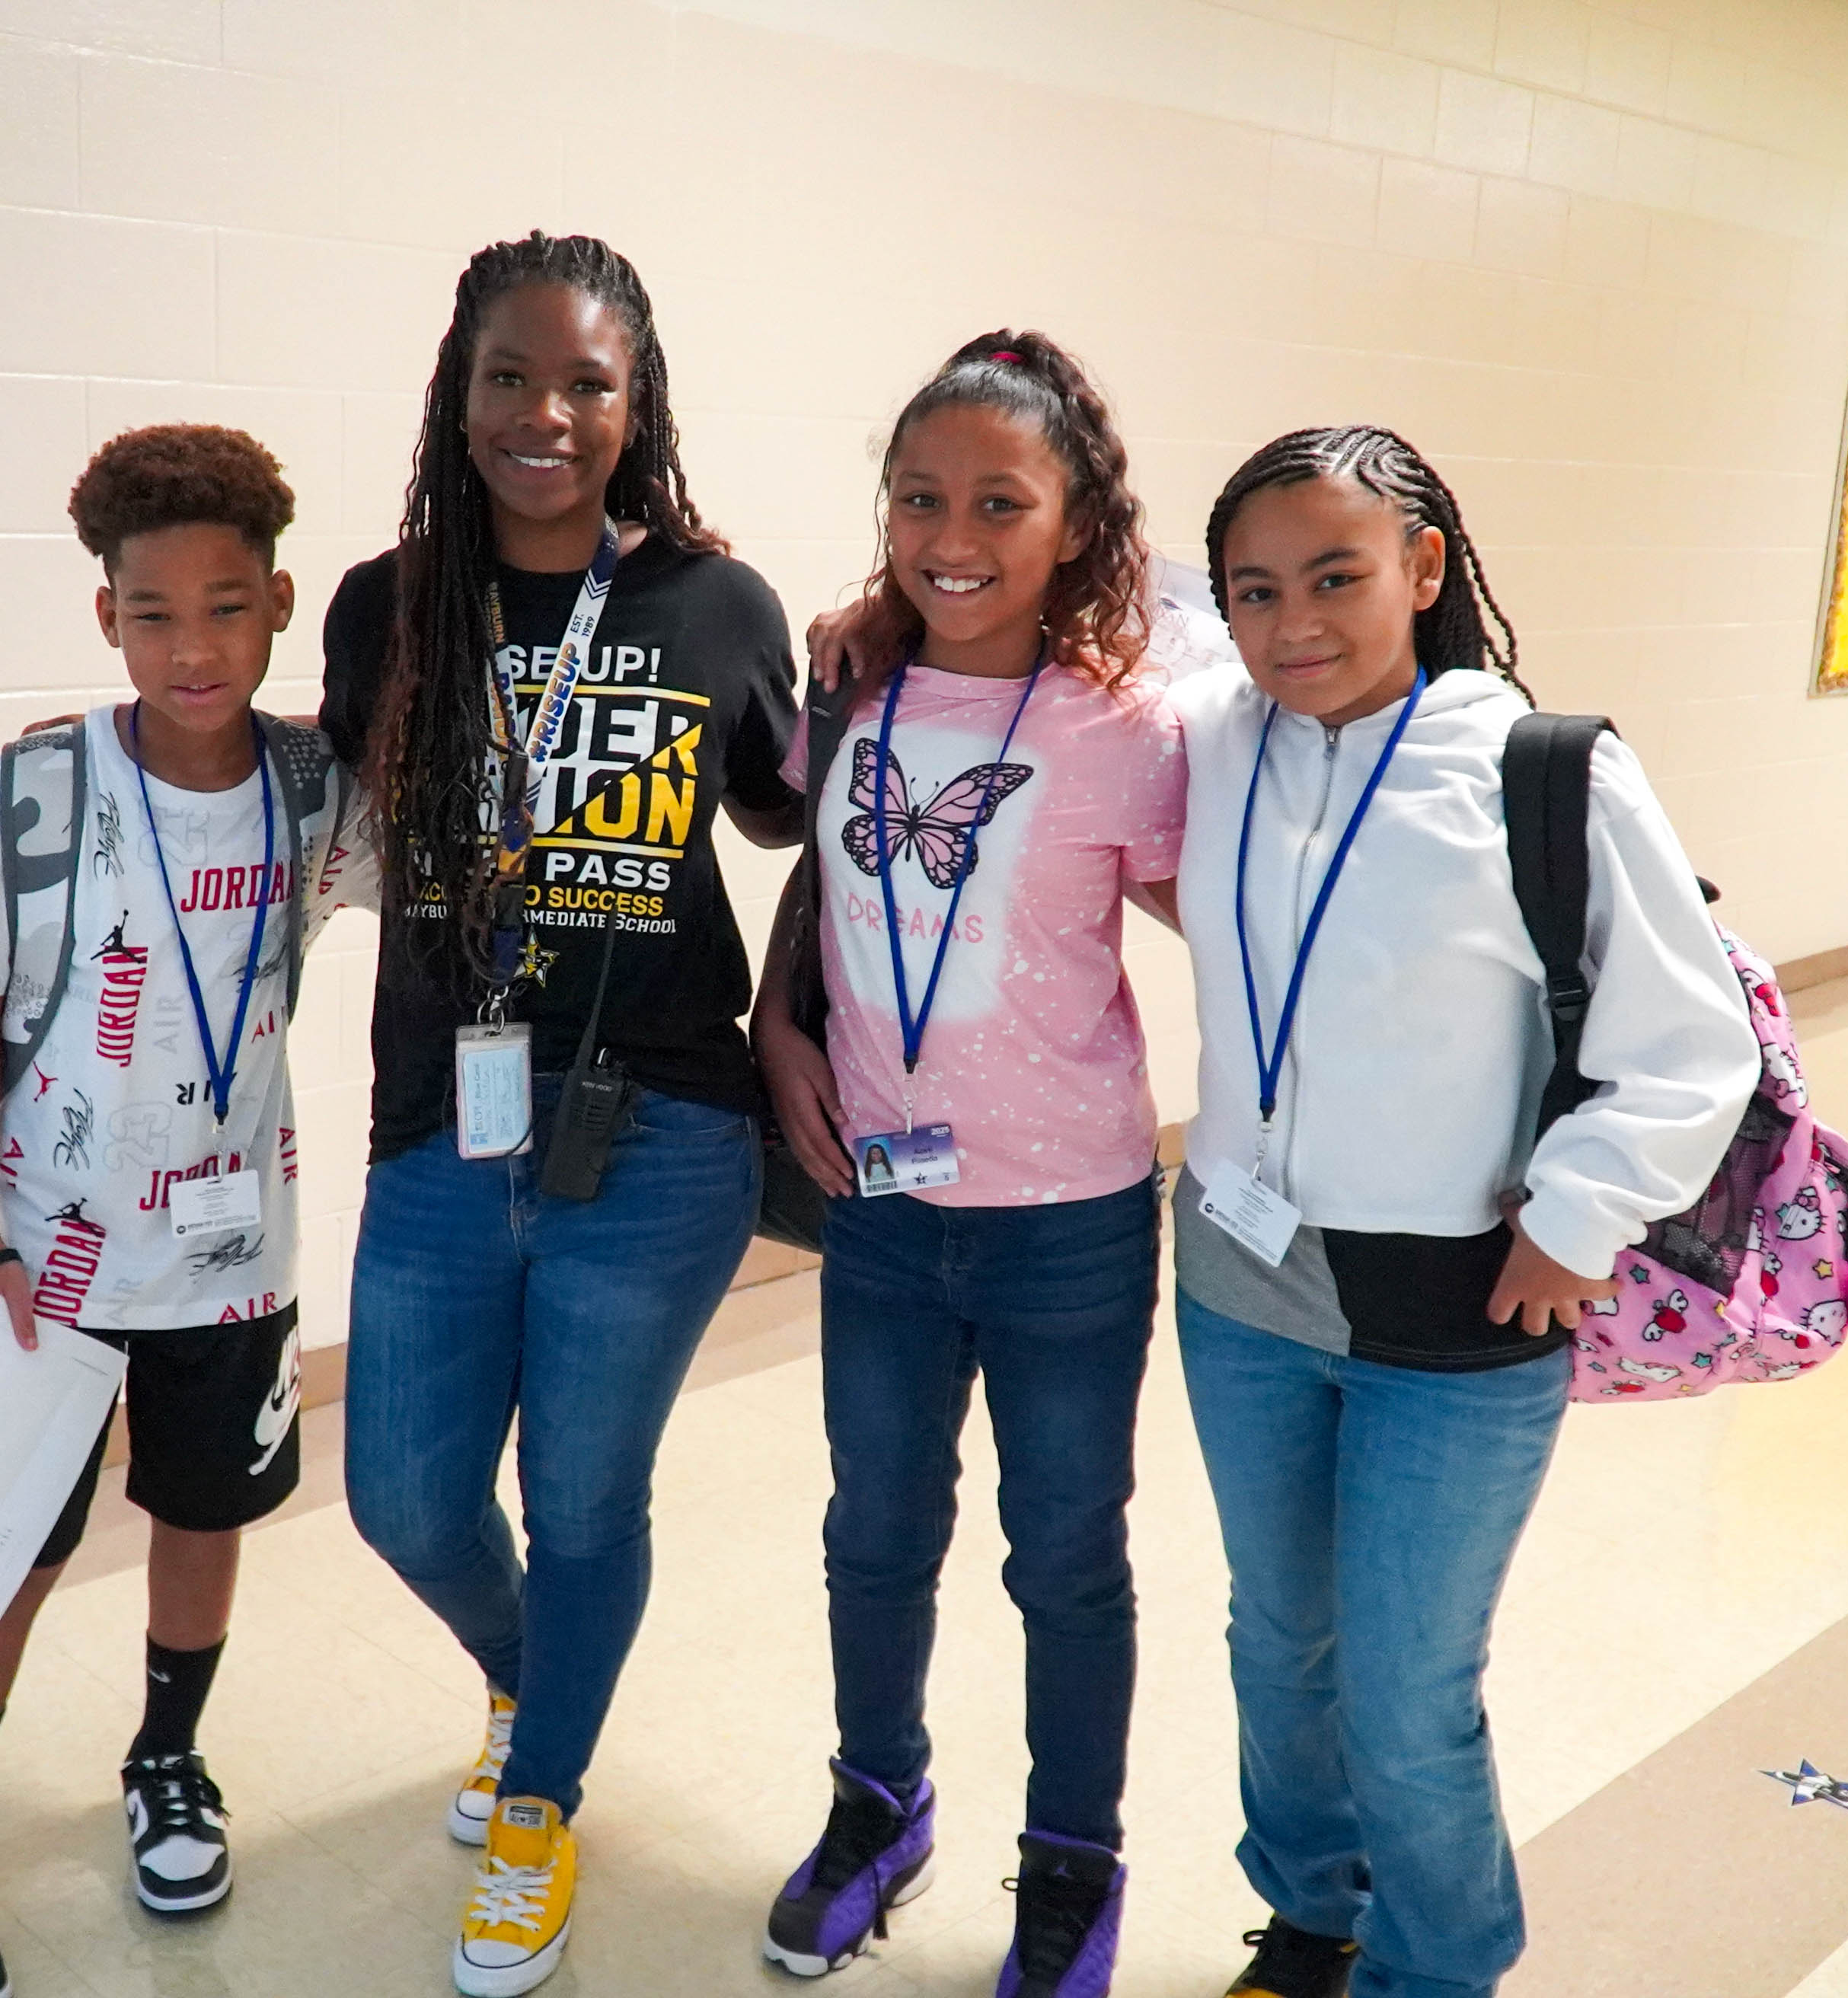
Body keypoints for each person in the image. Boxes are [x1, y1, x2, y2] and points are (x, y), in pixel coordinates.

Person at [1170, 426, 1758, 1998]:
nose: (1292, 620)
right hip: (1239, 1272)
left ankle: (1432, 1972)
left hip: (1462, 1299)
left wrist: (1576, 1217)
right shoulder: (1221, 732)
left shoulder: (1538, 769)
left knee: (1409, 1684)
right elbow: (1082, 611)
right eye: (1255, 589)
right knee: (1276, 1641)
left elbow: (1688, 1043)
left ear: (1424, 568)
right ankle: (1308, 1914)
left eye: (1338, 576)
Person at [316, 231, 801, 1997]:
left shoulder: (712, 606)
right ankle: (536, 1673)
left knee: (590, 1493)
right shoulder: (389, 603)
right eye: (511, 376)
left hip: (658, 1120)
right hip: (442, 1110)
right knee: (405, 1495)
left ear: (635, 402)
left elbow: (779, 820)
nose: (546, 413)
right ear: (459, 391)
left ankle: (541, 1796)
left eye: (587, 381)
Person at [0, 425, 370, 1998]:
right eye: (153, 613)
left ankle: (167, 1761)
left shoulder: (310, 786)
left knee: (203, 1522)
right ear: (108, 622)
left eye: (226, 607)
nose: (192, 645)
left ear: (277, 605)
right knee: (4, 1562)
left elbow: (425, 847)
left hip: (237, 1261)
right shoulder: (35, 791)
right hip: (48, 1259)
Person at [752, 332, 1186, 1998]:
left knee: (1064, 1554)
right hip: (878, 1209)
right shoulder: (853, 683)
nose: (954, 530)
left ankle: (1072, 1865)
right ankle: (882, 1803)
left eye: (1001, 500)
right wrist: (783, 1020)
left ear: (1075, 523)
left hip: (1067, 1220)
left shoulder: (1122, 727)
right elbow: (824, 874)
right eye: (921, 495)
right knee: (874, 1532)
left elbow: (1227, 910)